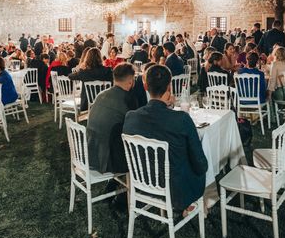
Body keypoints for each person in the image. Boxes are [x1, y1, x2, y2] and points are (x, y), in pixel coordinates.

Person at [122, 64, 208, 215]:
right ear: (169, 86)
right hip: (177, 192)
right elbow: (200, 164)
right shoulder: (181, 119)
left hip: (143, 184)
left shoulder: (130, 117)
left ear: (145, 86)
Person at [87, 63, 137, 173]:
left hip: (90, 152)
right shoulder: (127, 99)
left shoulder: (101, 94)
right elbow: (135, 127)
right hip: (108, 160)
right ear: (130, 82)